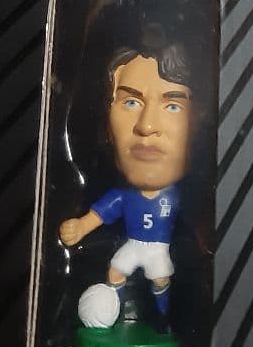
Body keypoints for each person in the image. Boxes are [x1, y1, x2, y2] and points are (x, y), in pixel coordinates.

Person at [59, 27, 194, 331]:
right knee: (115, 272)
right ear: (106, 125)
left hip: (158, 249)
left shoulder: (181, 200)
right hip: (134, 245)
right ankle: (114, 312)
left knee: (161, 278)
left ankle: (165, 316)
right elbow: (100, 213)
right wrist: (80, 226)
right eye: (131, 102)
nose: (146, 126)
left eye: (172, 105)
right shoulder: (124, 196)